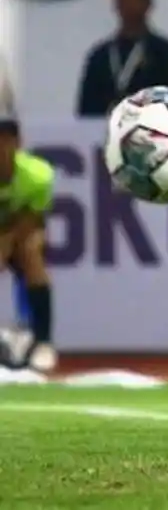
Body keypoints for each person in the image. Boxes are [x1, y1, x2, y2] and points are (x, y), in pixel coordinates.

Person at [76, 0, 168, 116]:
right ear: (115, 3)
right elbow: (85, 113)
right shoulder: (100, 57)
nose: (129, 6)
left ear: (149, 2)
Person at [0, 121, 57, 372]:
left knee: (32, 250)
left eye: (6, 140)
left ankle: (42, 342)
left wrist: (5, 245)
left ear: (17, 143)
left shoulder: (38, 176)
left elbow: (28, 224)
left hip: (19, 233)